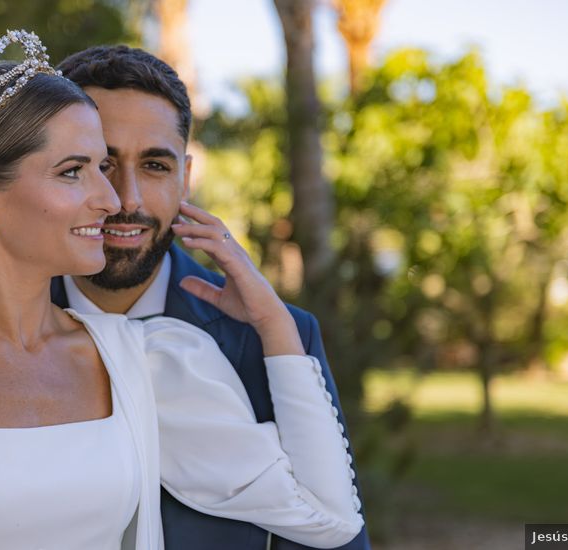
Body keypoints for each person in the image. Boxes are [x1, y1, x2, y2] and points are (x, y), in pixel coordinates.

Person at [0, 30, 363, 550]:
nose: (115, 201)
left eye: (141, 167)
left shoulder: (144, 360)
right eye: (75, 171)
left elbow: (328, 518)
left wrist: (276, 326)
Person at [54, 46, 371, 550]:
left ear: (186, 175)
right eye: (100, 164)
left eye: (155, 165)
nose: (127, 199)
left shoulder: (275, 336)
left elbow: (333, 538)